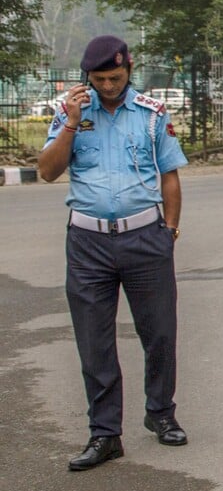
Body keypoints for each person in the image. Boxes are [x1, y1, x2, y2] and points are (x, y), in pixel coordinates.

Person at [38, 35, 189, 471]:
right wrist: (69, 121)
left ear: (129, 69)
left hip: (146, 239)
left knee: (159, 332)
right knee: (94, 342)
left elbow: (170, 174)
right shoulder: (69, 112)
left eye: (115, 77)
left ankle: (161, 413)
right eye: (99, 78)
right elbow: (47, 172)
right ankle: (105, 434)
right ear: (87, 76)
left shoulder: (151, 114)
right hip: (87, 244)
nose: (107, 85)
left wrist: (170, 232)